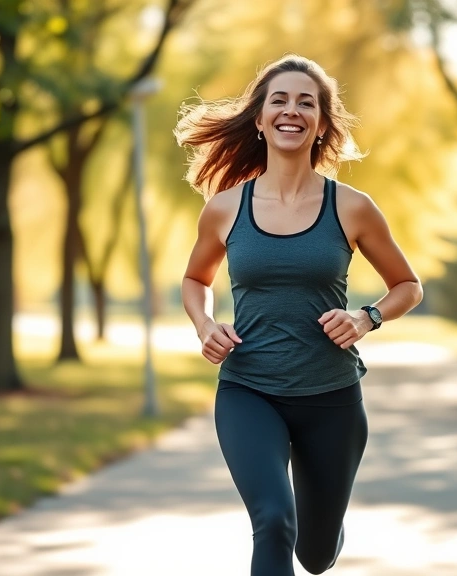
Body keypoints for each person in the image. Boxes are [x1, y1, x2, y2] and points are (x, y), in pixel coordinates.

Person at [175, 54, 423, 576]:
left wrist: (366, 318)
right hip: (249, 390)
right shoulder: (225, 208)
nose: (292, 110)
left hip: (330, 397)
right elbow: (196, 279)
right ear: (260, 119)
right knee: (273, 521)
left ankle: (325, 532)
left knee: (314, 554)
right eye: (279, 101)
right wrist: (205, 325)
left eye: (306, 102)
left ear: (322, 124)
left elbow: (408, 286)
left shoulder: (352, 207)